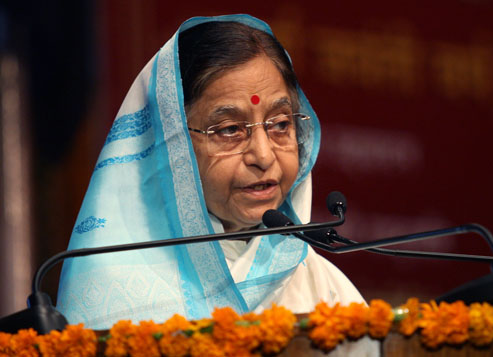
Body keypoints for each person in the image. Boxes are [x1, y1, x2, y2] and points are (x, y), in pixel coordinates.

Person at [56, 15, 369, 342]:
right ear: (172, 143)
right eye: (230, 130)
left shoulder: (320, 285)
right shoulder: (112, 285)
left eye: (280, 124)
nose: (263, 156)